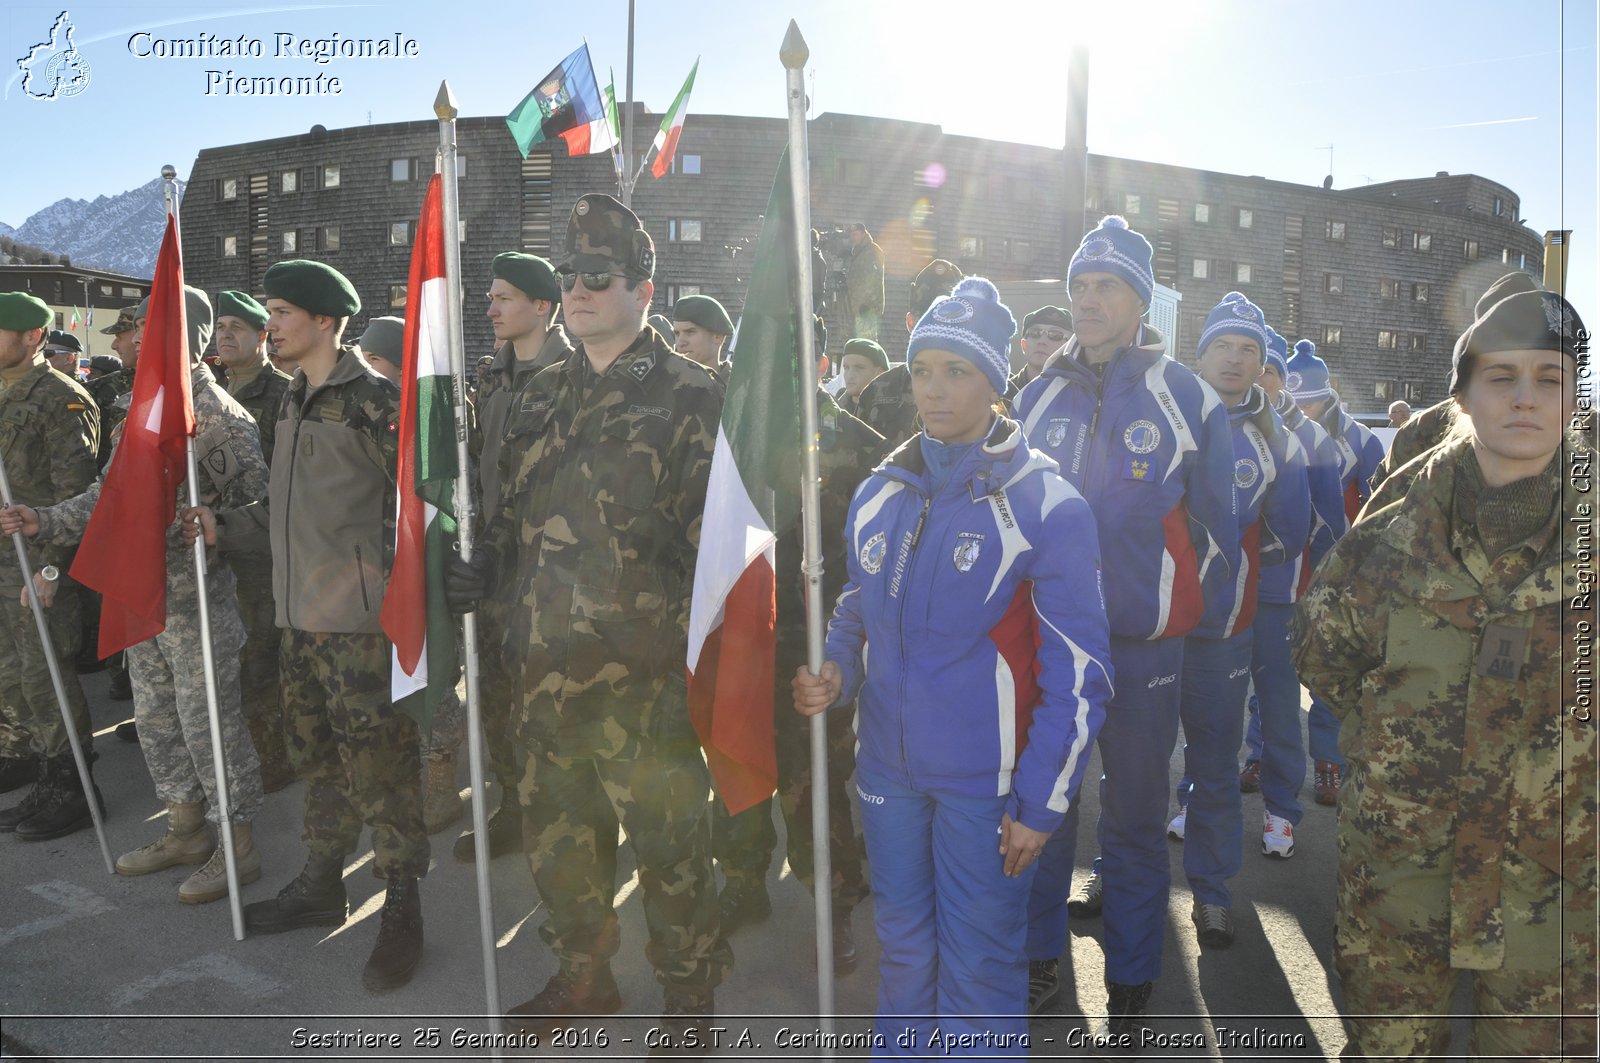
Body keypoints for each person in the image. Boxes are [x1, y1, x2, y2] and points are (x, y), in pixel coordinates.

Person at [795, 276, 1111, 1055]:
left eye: (957, 371)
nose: (934, 389)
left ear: (995, 384)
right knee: (903, 952)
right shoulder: (879, 490)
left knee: (978, 968)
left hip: (986, 787)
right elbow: (858, 598)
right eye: (923, 369)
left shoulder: (1046, 503)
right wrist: (838, 665)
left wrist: (1040, 803)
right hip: (888, 774)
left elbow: (1081, 675)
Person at [445, 194, 729, 1046]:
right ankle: (585, 974)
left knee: (672, 856)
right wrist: (480, 569)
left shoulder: (695, 397)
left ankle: (687, 1002)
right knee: (561, 848)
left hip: (644, 692)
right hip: (539, 677)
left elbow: (721, 556)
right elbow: (509, 517)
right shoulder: (536, 396)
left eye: (596, 277)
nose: (577, 291)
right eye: (570, 277)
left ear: (645, 289)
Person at [1293, 287, 1595, 1060]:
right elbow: (1324, 649)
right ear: (1462, 395)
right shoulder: (1396, 524)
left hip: (1560, 893)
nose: (1525, 397)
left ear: (1574, 396)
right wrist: (1395, 753)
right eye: (1501, 377)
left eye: (1550, 378)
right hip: (1400, 875)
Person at [1014, 215, 1236, 1042]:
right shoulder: (1037, 394)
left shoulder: (1185, 395)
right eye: (1079, 284)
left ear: (1140, 300)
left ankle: (1133, 975)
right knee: (1043, 805)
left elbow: (1221, 527)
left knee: (1137, 821)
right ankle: (1039, 959)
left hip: (1147, 653)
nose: (1089, 299)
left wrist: (1173, 610)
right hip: (1054, 651)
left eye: (1106, 284)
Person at [188, 260, 427, 992]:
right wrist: (223, 524)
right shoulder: (292, 399)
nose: (271, 324)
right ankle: (323, 881)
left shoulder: (374, 401)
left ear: (326, 320)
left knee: (381, 776)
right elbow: (287, 513)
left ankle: (403, 912)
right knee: (319, 764)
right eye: (269, 310)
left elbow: (427, 510)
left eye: (284, 311)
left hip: (359, 632)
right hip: (299, 626)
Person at [8, 286, 270, 903]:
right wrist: (43, 520)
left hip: (198, 602)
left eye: (155, 328)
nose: (138, 338)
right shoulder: (139, 411)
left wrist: (215, 524)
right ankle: (185, 830)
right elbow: (106, 496)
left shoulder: (220, 418)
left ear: (187, 338)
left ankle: (240, 848)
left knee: (211, 728)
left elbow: (258, 510)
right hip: (143, 595)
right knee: (156, 719)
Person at [713, 341, 886, 976]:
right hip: (740, 637)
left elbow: (874, 556)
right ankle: (742, 879)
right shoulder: (728, 435)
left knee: (811, 785)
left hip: (813, 643)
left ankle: (833, 905)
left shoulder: (862, 446)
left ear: (817, 363)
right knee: (735, 761)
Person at [1165, 294, 1308, 949]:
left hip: (1223, 633)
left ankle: (1212, 895)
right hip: (1149, 629)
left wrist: (1227, 575)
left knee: (1215, 768)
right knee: (1131, 771)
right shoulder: (1163, 412)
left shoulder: (1278, 437)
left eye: (1248, 348)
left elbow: (1292, 529)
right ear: (1199, 354)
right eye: (1223, 344)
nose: (1234, 356)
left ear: (1261, 364)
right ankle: (1115, 868)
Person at [455, 250, 574, 862]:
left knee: (553, 704)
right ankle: (514, 804)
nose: (491, 307)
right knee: (494, 696)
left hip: (554, 570)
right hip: (493, 565)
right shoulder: (489, 376)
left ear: (543, 307)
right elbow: (477, 464)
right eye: (491, 296)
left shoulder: (577, 377)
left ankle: (566, 818)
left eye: (503, 297)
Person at [1236, 325, 1347, 854]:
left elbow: (1332, 523)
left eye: (1269, 370)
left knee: (1280, 710)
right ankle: (1193, 798)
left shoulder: (1312, 437)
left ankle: (1281, 813)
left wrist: (1319, 591)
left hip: (1281, 598)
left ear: (1282, 379)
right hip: (1219, 598)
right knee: (1209, 710)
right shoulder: (1214, 423)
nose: (1260, 378)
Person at [0, 291, 100, 838]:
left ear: (32, 337)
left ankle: (74, 786)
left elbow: (78, 495)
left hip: (37, 560)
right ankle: (39, 770)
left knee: (46, 678)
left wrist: (52, 570)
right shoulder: (2, 390)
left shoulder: (61, 399)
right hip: (3, 559)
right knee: (13, 676)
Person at [1284, 340, 1385, 806]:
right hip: (1288, 564)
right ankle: (1264, 755)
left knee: (1328, 670)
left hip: (1340, 572)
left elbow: (1378, 507)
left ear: (1329, 395)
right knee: (1275, 673)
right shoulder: (1277, 430)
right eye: (1296, 401)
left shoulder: (1361, 439)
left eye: (1312, 401)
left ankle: (1329, 762)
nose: (1304, 409)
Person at [212, 289, 295, 794]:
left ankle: (274, 755)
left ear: (263, 335)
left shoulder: (285, 393)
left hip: (264, 552)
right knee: (229, 655)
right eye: (221, 328)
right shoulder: (208, 391)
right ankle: (238, 746)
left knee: (261, 655)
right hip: (216, 545)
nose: (225, 336)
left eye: (237, 328)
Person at [856, 259, 965, 447]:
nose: (938, 328)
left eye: (949, 319)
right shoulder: (877, 394)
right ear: (911, 322)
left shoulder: (990, 391)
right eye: (927, 319)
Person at [1008, 305, 1072, 397]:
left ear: (1069, 347)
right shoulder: (1002, 395)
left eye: (1055, 334)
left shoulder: (1079, 396)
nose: (1042, 341)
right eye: (1035, 333)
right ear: (1023, 345)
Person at [670, 295, 734, 378]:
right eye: (677, 333)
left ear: (717, 337)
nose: (680, 343)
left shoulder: (741, 385)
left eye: (690, 332)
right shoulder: (667, 384)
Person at [843, 223, 885, 342]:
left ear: (863, 234)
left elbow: (873, 279)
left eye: (855, 234)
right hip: (858, 305)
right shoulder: (858, 252)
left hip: (867, 307)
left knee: (867, 341)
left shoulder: (872, 251)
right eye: (851, 235)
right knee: (861, 341)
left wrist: (867, 304)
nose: (853, 237)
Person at [836, 337, 888, 418]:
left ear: (879, 373)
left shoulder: (894, 409)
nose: (850, 375)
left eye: (859, 367)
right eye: (846, 368)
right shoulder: (834, 409)